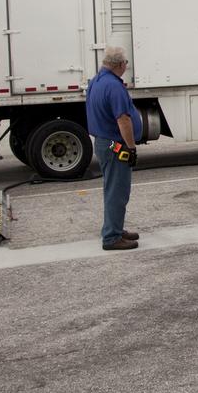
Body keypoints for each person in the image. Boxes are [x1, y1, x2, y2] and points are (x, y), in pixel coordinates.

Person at [86, 46, 142, 251]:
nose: (126, 65)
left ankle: (115, 229)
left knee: (112, 189)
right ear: (119, 65)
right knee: (117, 191)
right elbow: (123, 120)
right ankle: (111, 237)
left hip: (104, 141)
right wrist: (131, 148)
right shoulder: (114, 86)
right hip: (114, 144)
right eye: (126, 62)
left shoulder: (97, 81)